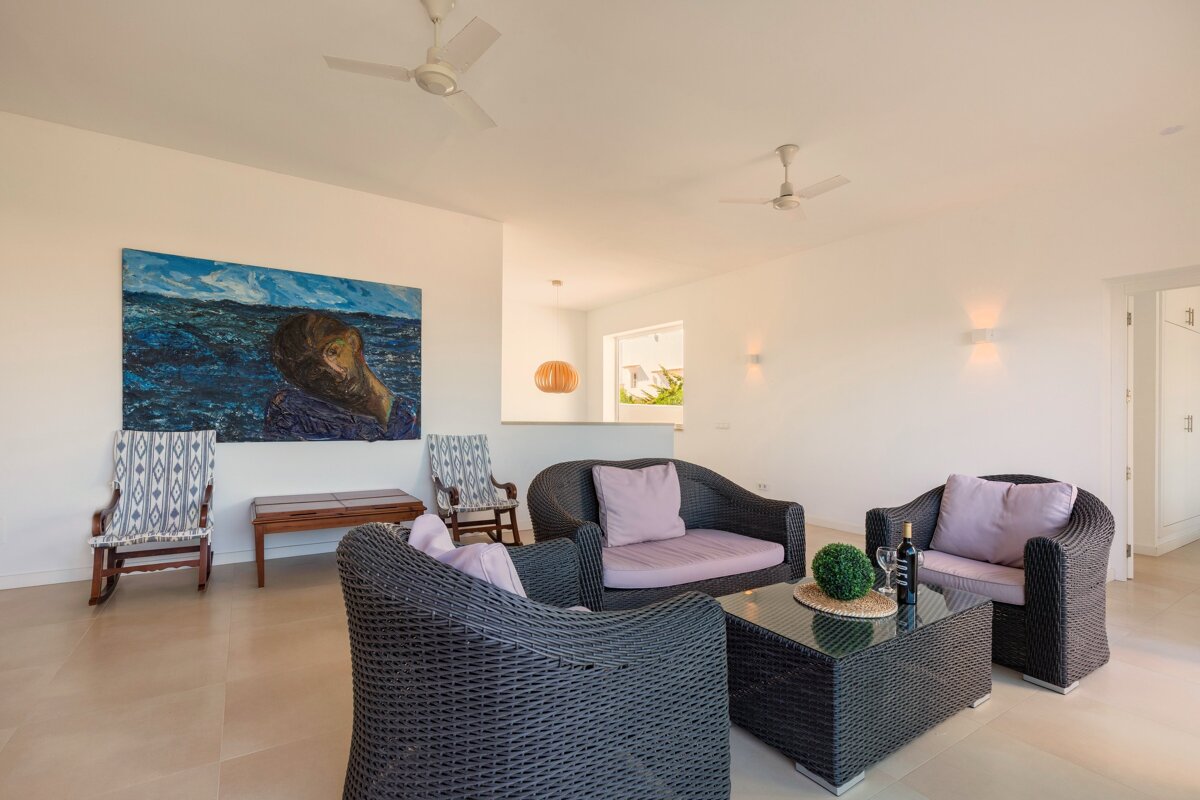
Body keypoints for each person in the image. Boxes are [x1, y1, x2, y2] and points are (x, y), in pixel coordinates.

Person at [264, 311, 418, 441]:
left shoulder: (411, 416)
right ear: (301, 383)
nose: (335, 371)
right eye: (314, 370)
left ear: (353, 342)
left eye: (333, 352)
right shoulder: (295, 414)